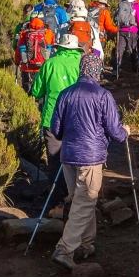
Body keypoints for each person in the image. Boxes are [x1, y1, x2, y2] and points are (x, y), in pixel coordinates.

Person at [49, 51, 129, 269]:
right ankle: (65, 249)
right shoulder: (103, 95)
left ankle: (86, 244)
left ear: (81, 69)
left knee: (80, 201)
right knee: (85, 202)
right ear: (98, 70)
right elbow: (115, 131)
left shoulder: (65, 94)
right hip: (91, 157)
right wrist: (125, 132)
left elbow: (55, 130)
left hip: (68, 156)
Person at [30, 33, 83, 214]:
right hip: (76, 120)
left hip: (52, 119)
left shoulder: (50, 64)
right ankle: (75, 198)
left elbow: (37, 91)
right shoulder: (80, 64)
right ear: (76, 49)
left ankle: (57, 203)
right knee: (75, 159)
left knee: (54, 161)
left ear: (59, 47)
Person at [15, 16, 55, 93]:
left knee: (27, 92)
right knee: (41, 92)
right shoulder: (48, 33)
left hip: (26, 68)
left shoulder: (24, 33)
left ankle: (26, 104)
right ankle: (39, 104)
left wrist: (17, 62)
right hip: (42, 68)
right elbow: (51, 47)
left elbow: (18, 51)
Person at [113, 0, 139, 75]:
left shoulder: (121, 5)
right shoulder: (135, 6)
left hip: (121, 30)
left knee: (119, 50)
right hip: (132, 30)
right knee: (133, 50)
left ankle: (116, 69)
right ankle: (136, 69)